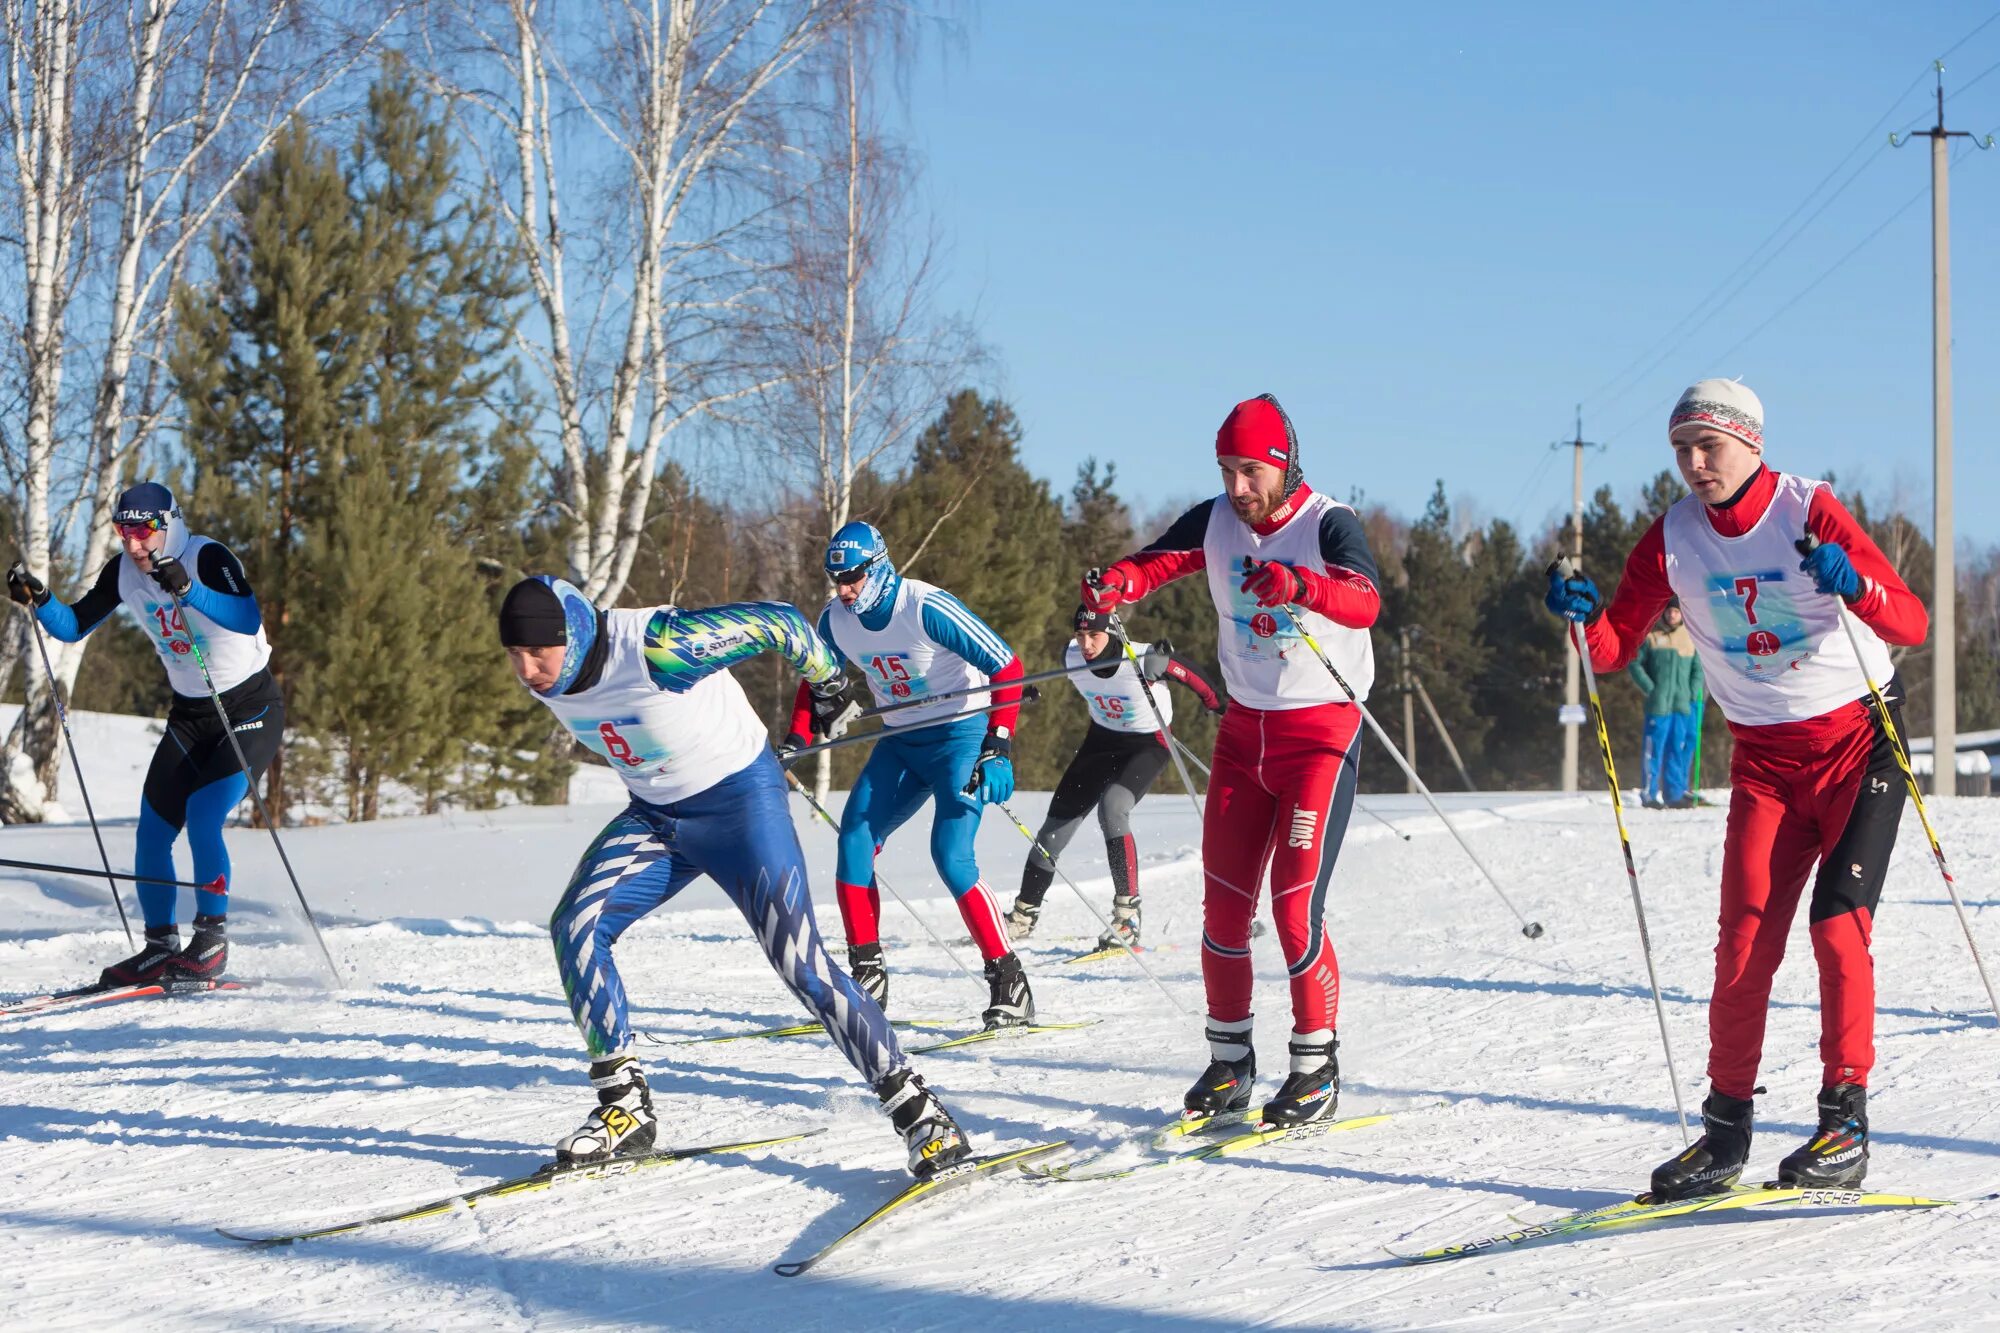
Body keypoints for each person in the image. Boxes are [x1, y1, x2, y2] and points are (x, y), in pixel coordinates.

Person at [1545, 378, 1927, 1198]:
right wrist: (1581, 615)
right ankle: (1723, 1137)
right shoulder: (1673, 538)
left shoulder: (1805, 509)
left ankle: (1844, 1124)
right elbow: (1613, 649)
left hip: (1860, 743)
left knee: (1835, 926)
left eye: (1706, 446)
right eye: (1681, 448)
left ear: (1751, 442)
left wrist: (1852, 584)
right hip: (1764, 762)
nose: (1692, 463)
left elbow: (1912, 622)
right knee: (1743, 945)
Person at [498, 575, 970, 1177]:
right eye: (515, 656)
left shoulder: (659, 646)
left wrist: (828, 681)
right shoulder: (555, 676)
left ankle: (920, 1112)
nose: (529, 669)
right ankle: (624, 1109)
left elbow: (781, 622)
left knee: (800, 962)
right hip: (658, 817)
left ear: (575, 631)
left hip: (742, 809)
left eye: (539, 651)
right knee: (577, 925)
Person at [1078, 394, 1382, 1129]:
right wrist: (1114, 584)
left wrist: (1301, 584)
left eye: (1250, 471)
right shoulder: (1217, 519)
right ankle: (1229, 1061)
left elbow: (1367, 599)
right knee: (1223, 906)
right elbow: (1153, 564)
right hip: (1246, 737)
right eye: (1226, 471)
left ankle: (1315, 1066)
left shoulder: (1327, 522)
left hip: (1320, 735)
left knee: (1293, 908)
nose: (1238, 488)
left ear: (1282, 464)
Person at [7, 482, 279, 988]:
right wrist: (40, 600)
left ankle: (211, 944)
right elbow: (72, 626)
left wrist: (189, 589)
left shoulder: (206, 556)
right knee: (152, 831)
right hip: (190, 715)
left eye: (141, 531)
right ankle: (160, 947)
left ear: (168, 523)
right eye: (122, 530)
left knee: (203, 816)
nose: (132, 543)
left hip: (247, 706)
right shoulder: (124, 571)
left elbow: (248, 617)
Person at [784, 521, 1033, 1029]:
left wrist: (999, 743)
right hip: (900, 741)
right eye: (836, 580)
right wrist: (798, 740)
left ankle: (1009, 980)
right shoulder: (836, 619)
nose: (844, 589)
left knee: (950, 855)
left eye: (852, 577)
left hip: (959, 735)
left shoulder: (924, 606)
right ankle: (867, 975)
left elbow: (1007, 667)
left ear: (877, 566)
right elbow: (818, 681)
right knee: (854, 839)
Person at [1004, 605, 1223, 949]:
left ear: (1111, 632)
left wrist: (1217, 705)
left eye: (1094, 635)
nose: (1086, 644)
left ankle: (1127, 918)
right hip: (1102, 741)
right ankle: (1022, 916)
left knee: (1113, 808)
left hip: (1148, 744)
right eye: (1080, 635)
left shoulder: (1143, 660)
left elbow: (1195, 678)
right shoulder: (1071, 657)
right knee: (1053, 830)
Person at [1627, 599, 1704, 809]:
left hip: (1681, 705)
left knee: (1677, 749)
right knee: (1654, 749)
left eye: (1676, 612)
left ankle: (1675, 794)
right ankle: (1650, 794)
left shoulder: (1689, 638)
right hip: (1659, 706)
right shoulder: (1652, 637)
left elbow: (1698, 668)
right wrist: (1649, 688)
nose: (1672, 615)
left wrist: (1692, 690)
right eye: (1669, 611)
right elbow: (1634, 662)